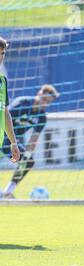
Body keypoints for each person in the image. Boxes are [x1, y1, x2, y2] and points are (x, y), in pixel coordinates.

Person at [0, 84, 59, 198]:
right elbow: (3, 118)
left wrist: (27, 155)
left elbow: (33, 139)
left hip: (12, 142)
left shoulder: (42, 117)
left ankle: (7, 192)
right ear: (39, 93)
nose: (44, 103)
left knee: (28, 162)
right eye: (44, 99)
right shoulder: (22, 103)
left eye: (48, 102)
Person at [0, 37, 21, 178]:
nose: (0, 57)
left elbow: (5, 111)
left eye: (2, 53)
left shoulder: (2, 80)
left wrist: (13, 142)